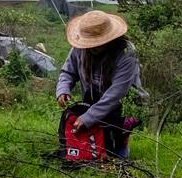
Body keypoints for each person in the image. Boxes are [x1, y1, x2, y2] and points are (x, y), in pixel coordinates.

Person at [55, 10, 146, 158]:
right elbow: (68, 72)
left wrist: (87, 118)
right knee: (95, 137)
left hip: (124, 101)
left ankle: (120, 137)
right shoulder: (79, 48)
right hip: (93, 96)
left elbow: (116, 94)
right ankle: (95, 145)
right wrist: (63, 89)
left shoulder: (126, 54)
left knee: (115, 146)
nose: (92, 47)